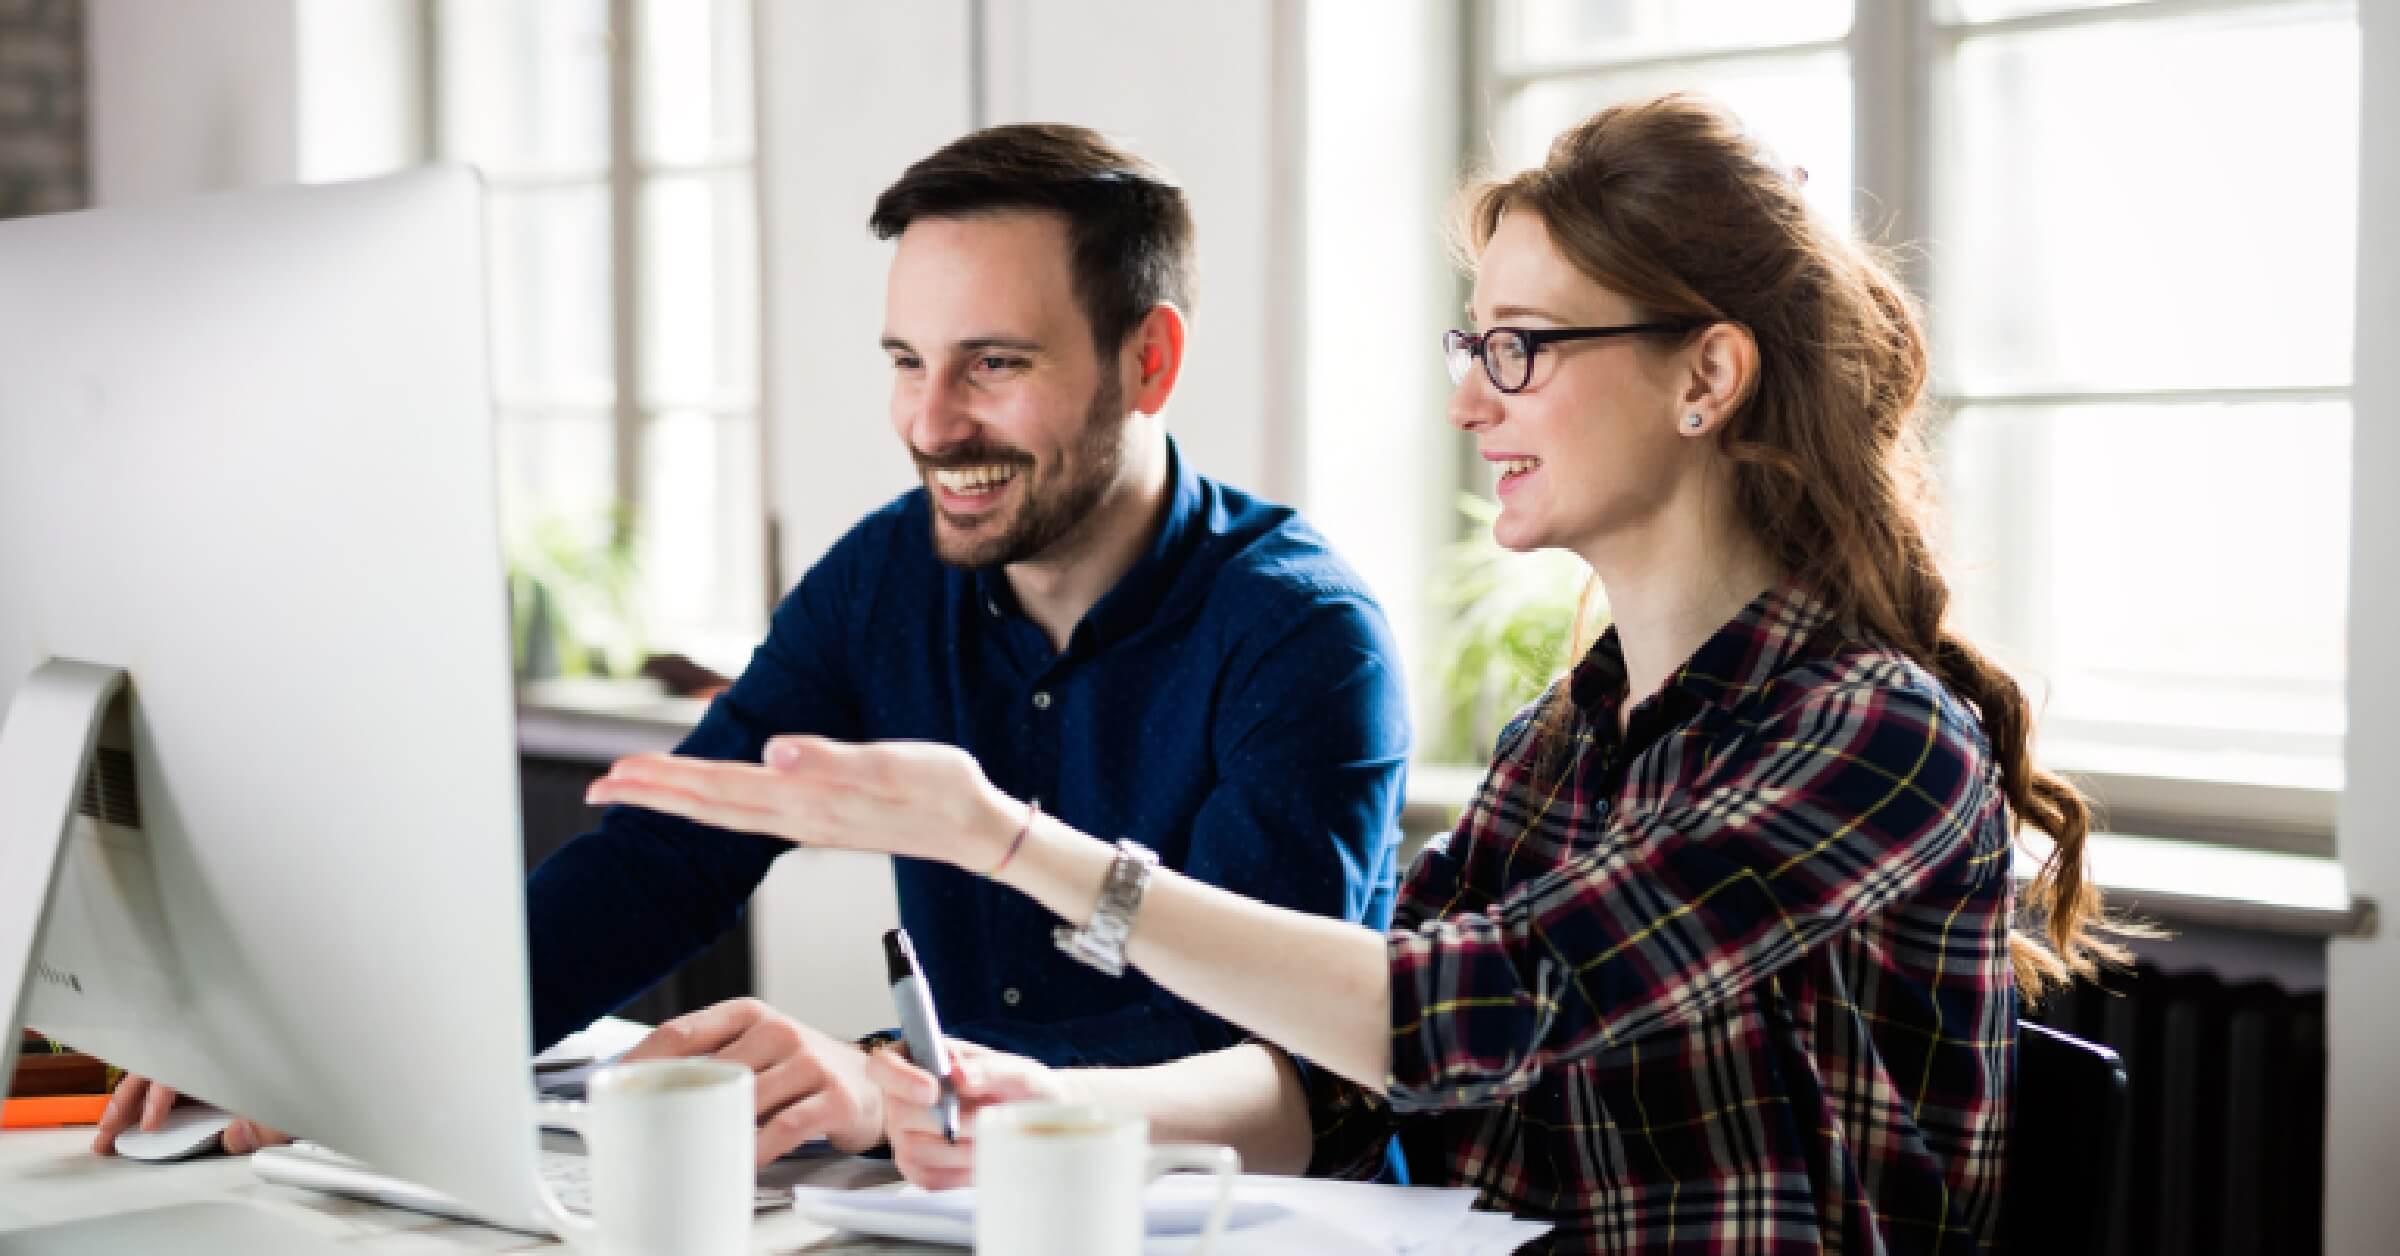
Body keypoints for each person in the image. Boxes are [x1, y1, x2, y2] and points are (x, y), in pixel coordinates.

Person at [587, 93, 2124, 1253]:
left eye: (1520, 345)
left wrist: (1009, 843)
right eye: (1473, 344)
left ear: (1705, 377)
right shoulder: (1567, 741)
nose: (1472, 400)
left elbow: (1483, 1006)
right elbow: (1347, 1085)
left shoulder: (1874, 739)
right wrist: (994, 1105)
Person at [92, 123, 1411, 1164]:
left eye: (993, 363)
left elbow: (1249, 1045)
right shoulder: (885, 578)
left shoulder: (1304, 638)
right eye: (906, 359)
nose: (932, 422)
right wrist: (357, 1047)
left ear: (1149, 362)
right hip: (949, 1204)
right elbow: (667, 859)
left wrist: (889, 1086)